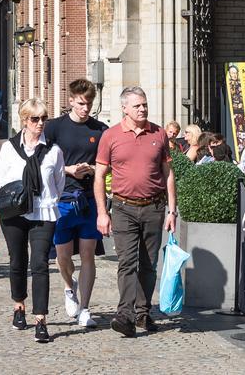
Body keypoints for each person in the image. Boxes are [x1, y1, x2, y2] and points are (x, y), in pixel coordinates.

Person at [94, 86, 176, 338]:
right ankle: (125, 315)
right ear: (124, 108)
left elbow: (168, 173)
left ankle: (143, 312)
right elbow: (99, 177)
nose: (143, 109)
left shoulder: (159, 134)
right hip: (122, 208)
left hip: (154, 207)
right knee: (127, 263)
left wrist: (172, 210)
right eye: (137, 105)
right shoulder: (111, 136)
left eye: (144, 104)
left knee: (149, 265)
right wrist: (102, 212)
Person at [0, 98, 65, 344]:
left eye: (44, 118)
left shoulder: (54, 151)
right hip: (14, 215)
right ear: (24, 120)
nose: (40, 123)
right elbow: (0, 182)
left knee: (40, 264)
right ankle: (18, 305)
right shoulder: (9, 148)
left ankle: (41, 319)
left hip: (43, 213)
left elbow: (58, 185)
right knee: (17, 261)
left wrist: (43, 199)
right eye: (35, 119)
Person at [44, 78, 108, 328]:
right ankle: (69, 288)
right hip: (62, 200)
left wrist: (92, 168)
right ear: (70, 100)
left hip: (90, 200)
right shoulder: (54, 128)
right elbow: (42, 161)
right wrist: (68, 170)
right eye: (81, 103)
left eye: (89, 103)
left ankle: (85, 308)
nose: (86, 108)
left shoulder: (99, 130)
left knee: (88, 255)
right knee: (62, 256)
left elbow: (107, 164)